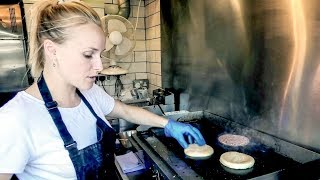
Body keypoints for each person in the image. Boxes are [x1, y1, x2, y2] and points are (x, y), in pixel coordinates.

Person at [0, 0, 206, 179]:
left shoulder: (89, 94)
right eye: (89, 54)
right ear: (52, 50)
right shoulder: (16, 118)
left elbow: (125, 110)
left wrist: (168, 124)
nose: (100, 66)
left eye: (100, 54)